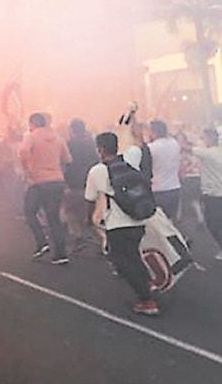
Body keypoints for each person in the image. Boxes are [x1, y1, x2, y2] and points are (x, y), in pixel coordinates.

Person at [85, 132, 159, 316]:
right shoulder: (129, 164)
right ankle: (148, 283)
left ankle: (147, 301)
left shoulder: (97, 171)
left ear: (101, 149)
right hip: (137, 219)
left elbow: (90, 198)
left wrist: (91, 220)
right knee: (133, 255)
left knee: (120, 260)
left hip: (116, 224)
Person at [19, 112, 71, 265]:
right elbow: (67, 159)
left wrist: (28, 170)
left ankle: (42, 242)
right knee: (53, 217)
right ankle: (61, 253)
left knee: (29, 211)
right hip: (56, 181)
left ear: (33, 124)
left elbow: (22, 152)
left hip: (38, 181)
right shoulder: (58, 138)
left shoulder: (31, 136)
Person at [64, 119, 99, 250]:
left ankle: (78, 236)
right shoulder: (92, 144)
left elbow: (65, 164)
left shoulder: (69, 144)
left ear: (72, 130)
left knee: (71, 211)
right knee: (91, 212)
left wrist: (65, 182)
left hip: (74, 183)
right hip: (90, 181)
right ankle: (100, 240)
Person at [190, 128, 222, 260]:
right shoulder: (218, 151)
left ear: (210, 138)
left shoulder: (208, 153)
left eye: (204, 138)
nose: (203, 140)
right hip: (216, 194)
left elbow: (187, 148)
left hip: (213, 195)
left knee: (212, 224)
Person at [147, 120, 182, 221]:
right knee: (170, 221)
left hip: (158, 190)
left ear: (154, 132)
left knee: (159, 223)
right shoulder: (175, 144)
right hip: (174, 187)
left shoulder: (151, 148)